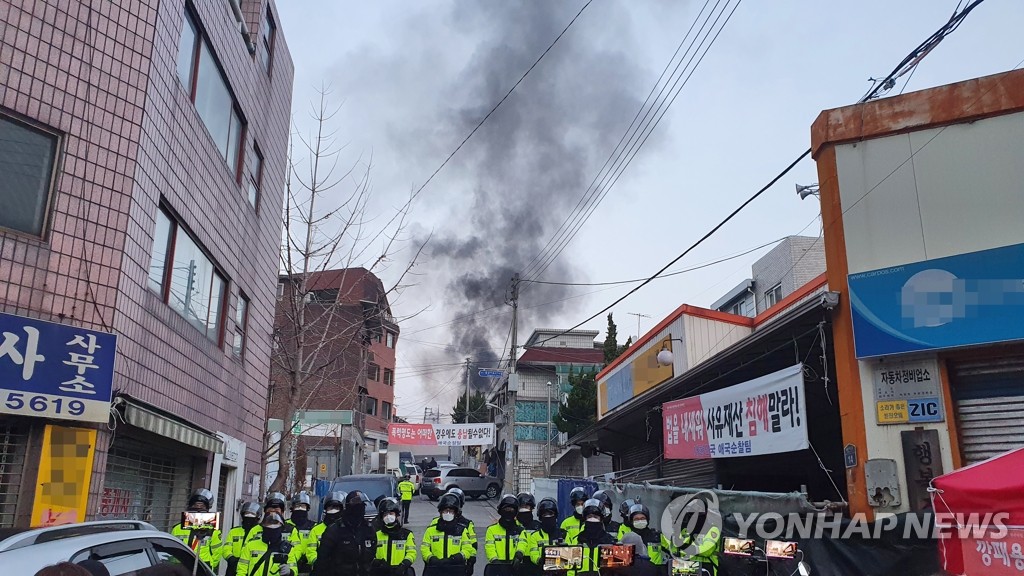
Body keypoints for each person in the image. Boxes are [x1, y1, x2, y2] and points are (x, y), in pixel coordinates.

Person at [311, 491, 377, 576]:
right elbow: (322, 561)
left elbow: (371, 557)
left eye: (362, 506)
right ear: (348, 507)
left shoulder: (369, 529)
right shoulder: (334, 530)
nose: (359, 509)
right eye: (356, 506)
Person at [421, 493, 474, 576]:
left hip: (456, 569)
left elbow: (467, 549)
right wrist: (431, 558)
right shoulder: (431, 530)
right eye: (445, 511)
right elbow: (424, 548)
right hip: (435, 569)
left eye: (451, 511)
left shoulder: (462, 530)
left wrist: (456, 558)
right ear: (441, 512)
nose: (448, 513)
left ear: (455, 513)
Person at [170, 488, 222, 572]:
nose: (198, 508)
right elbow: (171, 549)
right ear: (191, 506)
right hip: (180, 567)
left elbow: (217, 552)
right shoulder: (177, 528)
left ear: (207, 508)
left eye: (202, 506)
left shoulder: (213, 530)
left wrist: (209, 565)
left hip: (203, 567)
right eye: (196, 505)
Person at [236, 512, 301, 576]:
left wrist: (290, 572)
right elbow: (241, 570)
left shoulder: (287, 549)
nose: (272, 527)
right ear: (263, 527)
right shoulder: (250, 545)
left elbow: (295, 570)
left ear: (281, 528)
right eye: (269, 524)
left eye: (275, 524)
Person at [565, 498, 616, 575]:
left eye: (596, 517)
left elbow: (615, 570)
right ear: (584, 519)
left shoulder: (609, 542)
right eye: (589, 517)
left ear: (601, 519)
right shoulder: (577, 540)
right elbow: (570, 569)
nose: (592, 519)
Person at [515, 497, 565, 576]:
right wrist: (540, 561)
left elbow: (570, 554)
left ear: (555, 515)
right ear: (540, 517)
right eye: (545, 514)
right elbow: (533, 553)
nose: (548, 517)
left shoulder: (564, 534)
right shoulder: (535, 536)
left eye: (551, 514)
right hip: (539, 571)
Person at [674, 496, 722, 576]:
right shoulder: (685, 530)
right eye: (691, 514)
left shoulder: (713, 529)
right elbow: (677, 547)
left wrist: (685, 547)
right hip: (687, 568)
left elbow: (707, 550)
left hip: (707, 568)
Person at [370, 498, 416, 576]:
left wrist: (403, 565)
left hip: (400, 572)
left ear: (396, 515)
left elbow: (411, 553)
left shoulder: (406, 535)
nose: (388, 517)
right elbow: (370, 553)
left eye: (391, 513)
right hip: (381, 572)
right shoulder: (376, 535)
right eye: (385, 515)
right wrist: (378, 563)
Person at [484, 494, 524, 572]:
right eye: (506, 509)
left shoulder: (521, 530)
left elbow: (522, 544)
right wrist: (494, 560)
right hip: (497, 566)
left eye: (511, 509)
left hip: (515, 566)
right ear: (501, 511)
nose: (508, 512)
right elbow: (489, 547)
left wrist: (518, 556)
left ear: (515, 512)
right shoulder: (491, 530)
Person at [624, 504, 672, 569]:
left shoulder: (657, 536)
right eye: (636, 519)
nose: (640, 521)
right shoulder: (628, 538)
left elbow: (675, 551)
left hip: (655, 573)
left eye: (642, 518)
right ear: (631, 521)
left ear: (647, 519)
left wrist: (665, 568)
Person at [306, 491, 346, 567]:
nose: (333, 511)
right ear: (325, 510)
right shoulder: (316, 530)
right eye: (330, 508)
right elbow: (310, 551)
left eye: (336, 508)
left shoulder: (346, 529)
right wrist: (317, 562)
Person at [223, 502, 263, 576]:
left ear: (258, 516)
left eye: (252, 514)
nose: (249, 516)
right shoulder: (234, 531)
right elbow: (226, 548)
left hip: (252, 567)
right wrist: (231, 558)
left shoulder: (262, 532)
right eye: (247, 513)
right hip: (233, 567)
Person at [444, 487, 478, 574]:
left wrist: (471, 562)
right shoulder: (437, 522)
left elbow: (473, 544)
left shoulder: (467, 524)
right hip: (440, 564)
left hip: (459, 564)